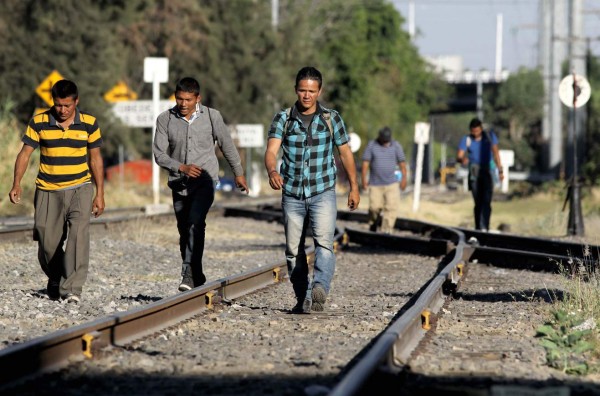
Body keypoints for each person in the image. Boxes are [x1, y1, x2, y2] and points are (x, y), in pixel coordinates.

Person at [264, 66, 360, 314]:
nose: (306, 95)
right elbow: (272, 151)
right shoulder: (283, 119)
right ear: (296, 90)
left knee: (324, 245)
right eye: (302, 90)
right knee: (293, 250)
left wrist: (354, 186)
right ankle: (302, 297)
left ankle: (319, 288)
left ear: (319, 91)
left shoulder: (331, 118)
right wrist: (272, 171)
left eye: (311, 91)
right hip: (292, 193)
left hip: (323, 191)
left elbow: (345, 153)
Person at [8, 79, 105, 303]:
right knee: (47, 241)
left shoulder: (89, 123)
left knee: (78, 237)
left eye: (67, 106)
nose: (62, 110)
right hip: (48, 189)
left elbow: (96, 159)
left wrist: (99, 193)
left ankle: (72, 289)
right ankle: (56, 276)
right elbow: (25, 154)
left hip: (80, 188)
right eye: (58, 105)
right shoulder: (39, 122)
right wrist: (16, 182)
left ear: (76, 102)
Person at [153, 77, 248, 292]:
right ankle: (196, 272)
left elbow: (227, 145)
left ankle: (187, 272)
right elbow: (159, 154)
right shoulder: (165, 119)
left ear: (198, 98)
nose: (183, 104)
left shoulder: (212, 117)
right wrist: (181, 167)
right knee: (184, 229)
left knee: (196, 222)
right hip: (179, 183)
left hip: (205, 181)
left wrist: (238, 173)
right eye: (179, 99)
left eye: (188, 99)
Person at [456, 118, 503, 231]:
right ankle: (478, 227)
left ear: (481, 129)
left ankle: (485, 226)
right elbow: (459, 155)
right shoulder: (466, 139)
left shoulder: (489, 136)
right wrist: (462, 160)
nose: (476, 134)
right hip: (474, 172)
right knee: (478, 201)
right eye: (473, 132)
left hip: (488, 171)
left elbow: (496, 152)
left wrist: (500, 170)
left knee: (487, 200)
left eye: (477, 131)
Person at [361, 126, 407, 234]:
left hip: (392, 183)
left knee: (391, 208)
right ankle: (374, 222)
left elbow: (402, 164)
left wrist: (404, 179)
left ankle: (386, 230)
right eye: (384, 140)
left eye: (388, 140)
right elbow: (365, 164)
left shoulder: (396, 146)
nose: (386, 142)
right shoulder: (372, 145)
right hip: (375, 184)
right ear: (379, 137)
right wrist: (363, 179)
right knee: (374, 208)